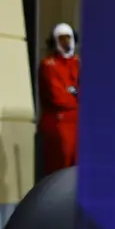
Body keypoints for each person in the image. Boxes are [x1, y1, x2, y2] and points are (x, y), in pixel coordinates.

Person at [38, 22, 80, 175]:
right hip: (59, 124)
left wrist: (73, 93)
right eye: (62, 38)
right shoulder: (49, 65)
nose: (66, 42)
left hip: (78, 123)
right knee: (60, 170)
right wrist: (76, 95)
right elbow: (58, 97)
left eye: (68, 38)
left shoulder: (78, 63)